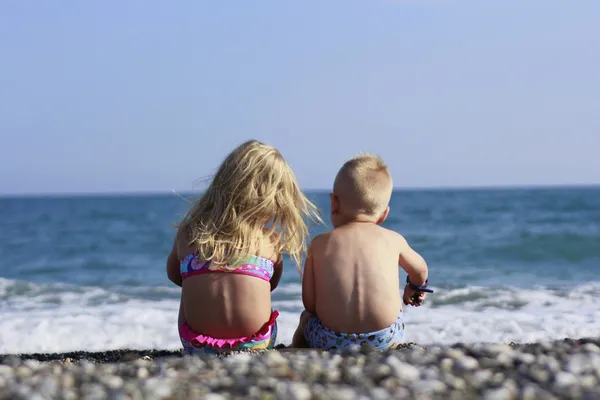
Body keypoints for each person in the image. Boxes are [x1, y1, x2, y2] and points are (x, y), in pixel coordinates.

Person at [166, 140, 321, 354]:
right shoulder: (271, 242)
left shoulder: (188, 233)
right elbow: (271, 285)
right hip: (255, 345)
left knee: (189, 274)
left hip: (197, 345)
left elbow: (174, 276)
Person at [291, 153, 431, 350]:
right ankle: (391, 347)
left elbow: (310, 304)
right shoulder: (393, 240)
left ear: (334, 203)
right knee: (396, 312)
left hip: (329, 339)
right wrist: (414, 288)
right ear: (384, 214)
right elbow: (421, 270)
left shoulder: (320, 243)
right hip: (384, 337)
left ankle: (296, 348)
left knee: (306, 318)